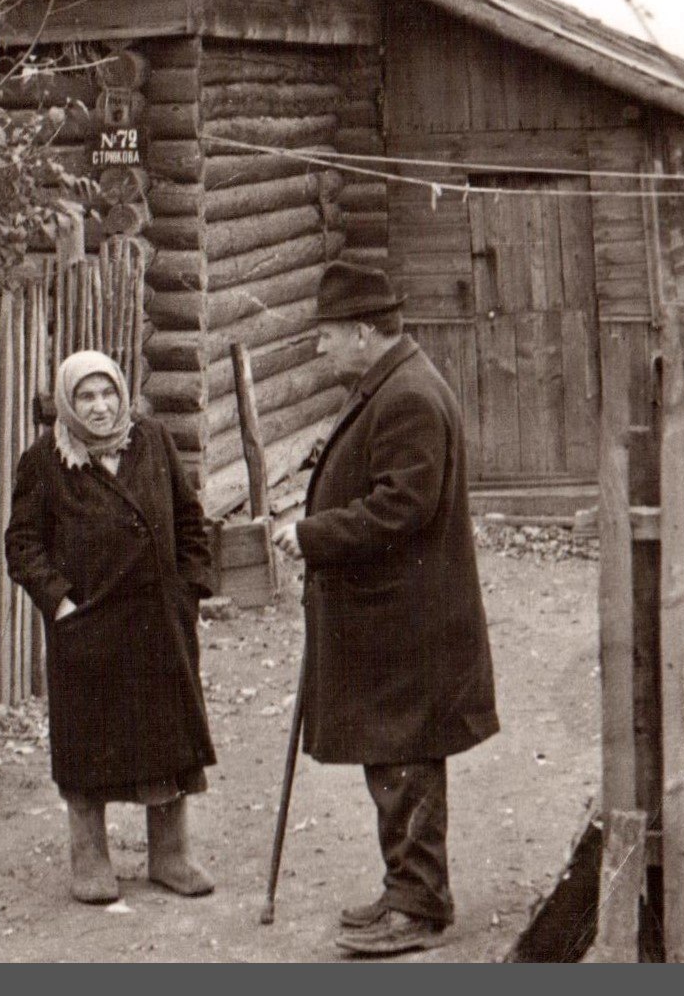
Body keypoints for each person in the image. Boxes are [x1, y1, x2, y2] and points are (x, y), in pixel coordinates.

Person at [270, 262, 499, 958]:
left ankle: (421, 905)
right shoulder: (395, 381)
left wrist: (310, 534)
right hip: (397, 618)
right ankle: (406, 887)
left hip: (410, 622)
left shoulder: (407, 397)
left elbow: (403, 506)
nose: (321, 350)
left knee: (406, 760)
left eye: (329, 336)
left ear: (366, 333)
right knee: (393, 760)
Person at [5, 349, 217, 905]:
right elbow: (22, 546)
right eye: (85, 397)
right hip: (89, 629)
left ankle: (170, 857)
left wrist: (188, 593)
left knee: (169, 739)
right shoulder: (45, 462)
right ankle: (90, 861)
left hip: (158, 623)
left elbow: (191, 520)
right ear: (68, 405)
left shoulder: (152, 441)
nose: (99, 408)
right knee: (88, 746)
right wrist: (61, 606)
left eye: (107, 395)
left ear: (123, 395)